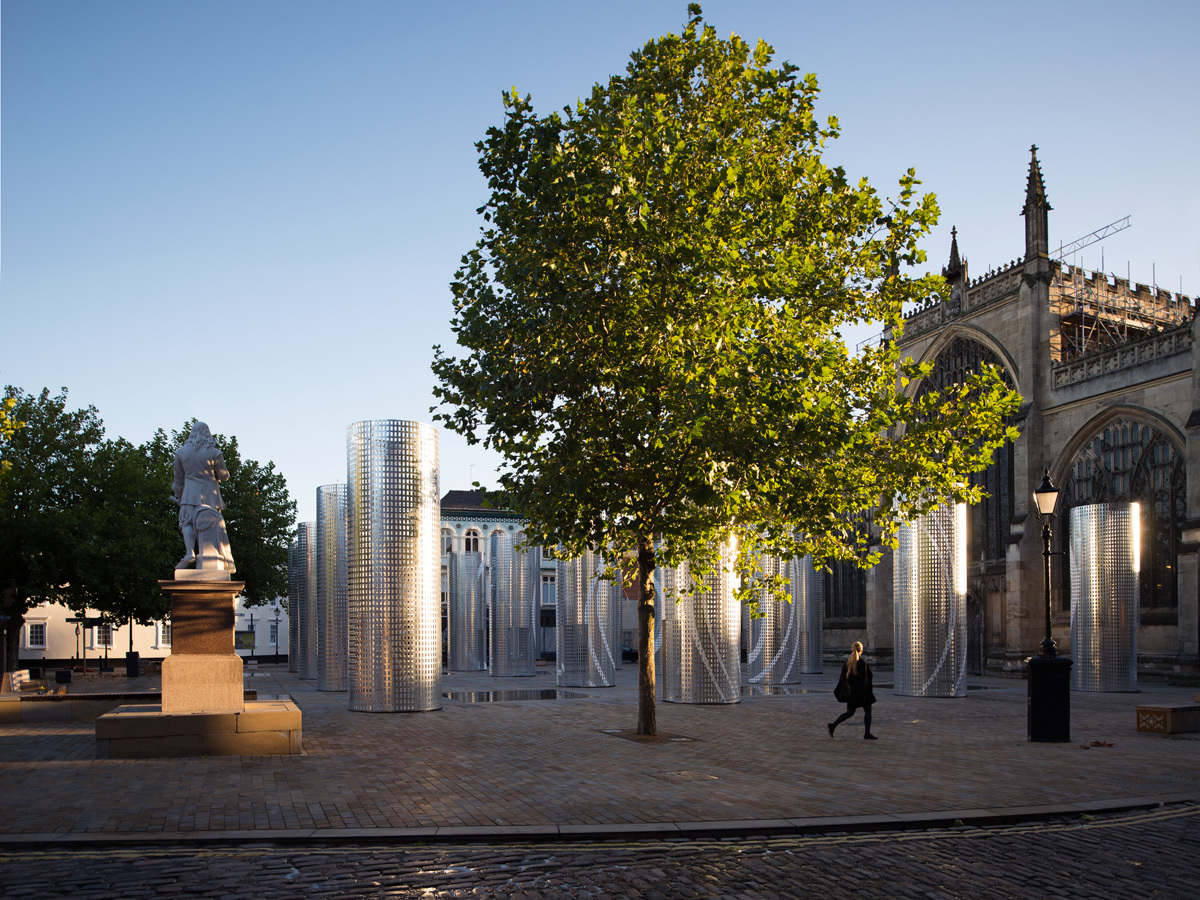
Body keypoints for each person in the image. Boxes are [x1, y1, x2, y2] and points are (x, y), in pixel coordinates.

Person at [170, 421, 235, 572]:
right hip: (210, 495)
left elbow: (178, 479)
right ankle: (215, 555)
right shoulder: (214, 452)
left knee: (187, 523)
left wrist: (180, 495)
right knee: (212, 525)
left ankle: (189, 552)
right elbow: (224, 476)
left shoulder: (181, 453)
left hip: (189, 494)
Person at [828, 640, 877, 740]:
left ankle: (833, 725)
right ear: (861, 650)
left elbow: (843, 679)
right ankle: (867, 733)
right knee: (868, 711)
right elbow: (866, 679)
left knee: (850, 712)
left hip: (852, 694)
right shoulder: (862, 664)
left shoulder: (848, 663)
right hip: (863, 693)